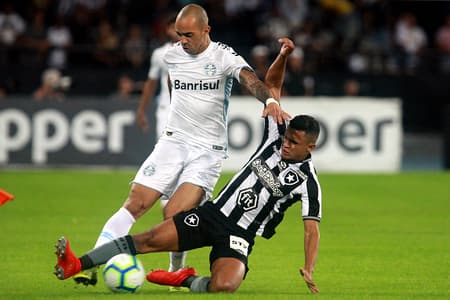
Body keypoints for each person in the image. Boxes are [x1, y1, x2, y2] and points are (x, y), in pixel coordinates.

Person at [54, 37, 322, 294]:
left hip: (240, 236)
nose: (286, 144)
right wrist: (283, 56)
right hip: (212, 215)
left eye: (294, 142)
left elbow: (311, 229)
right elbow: (273, 87)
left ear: (309, 147)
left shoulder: (308, 182)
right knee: (146, 240)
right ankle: (77, 264)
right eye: (287, 138)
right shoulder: (276, 136)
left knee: (225, 286)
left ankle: (185, 279)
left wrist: (309, 268)